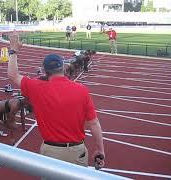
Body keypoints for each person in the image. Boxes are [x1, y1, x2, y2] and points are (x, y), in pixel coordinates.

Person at [7, 30, 105, 170]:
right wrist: (100, 150)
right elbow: (94, 123)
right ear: (63, 68)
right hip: (77, 152)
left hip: (50, 152)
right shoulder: (81, 89)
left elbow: (13, 75)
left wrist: (13, 50)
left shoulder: (36, 87)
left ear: (45, 71)